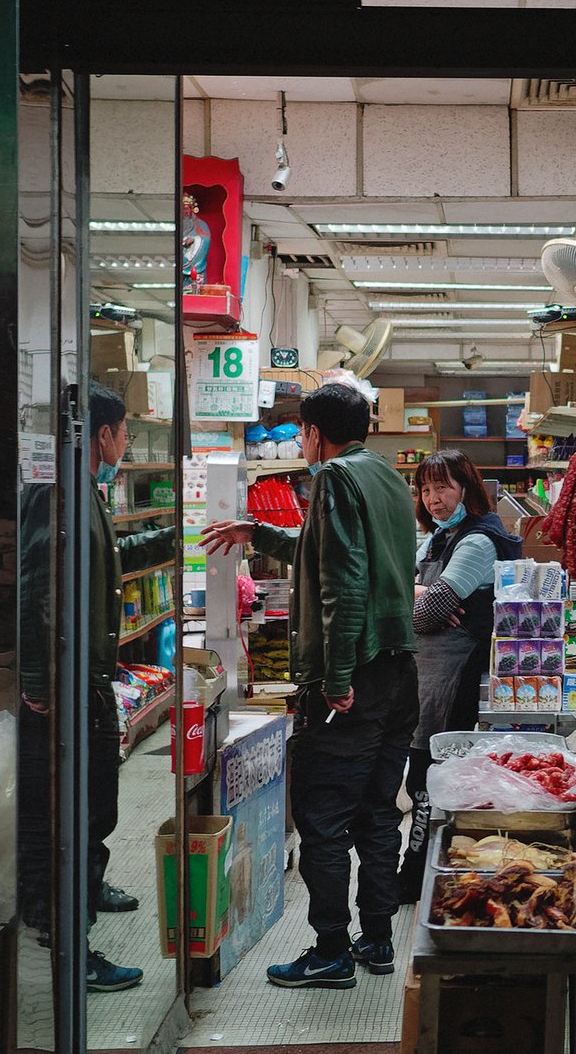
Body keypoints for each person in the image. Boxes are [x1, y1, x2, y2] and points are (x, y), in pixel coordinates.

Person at [201, 383, 417, 990]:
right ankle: (377, 939)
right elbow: (332, 554)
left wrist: (338, 679)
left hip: (356, 677)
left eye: (301, 433)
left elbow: (344, 585)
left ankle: (329, 950)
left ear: (314, 433)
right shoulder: (387, 478)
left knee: (323, 817)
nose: (302, 443)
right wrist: (260, 533)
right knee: (378, 812)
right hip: (400, 672)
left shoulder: (333, 479)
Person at [18, 380, 174, 993]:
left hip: (88, 679)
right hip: (66, 683)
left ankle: (83, 897)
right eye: (125, 430)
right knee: (69, 815)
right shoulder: (55, 493)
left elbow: (94, 565)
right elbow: (36, 585)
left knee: (95, 804)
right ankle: (66, 950)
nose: (128, 441)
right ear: (101, 434)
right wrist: (39, 680)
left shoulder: (85, 491)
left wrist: (167, 537)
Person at [396, 450, 522, 900]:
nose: (433, 499)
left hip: (451, 676)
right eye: (425, 489)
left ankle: (420, 879)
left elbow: (427, 615)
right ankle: (425, 873)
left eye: (443, 487)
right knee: (421, 772)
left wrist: (415, 598)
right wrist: (416, 592)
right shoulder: (434, 541)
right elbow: (400, 592)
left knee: (433, 777)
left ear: (466, 489)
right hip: (425, 673)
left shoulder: (477, 542)